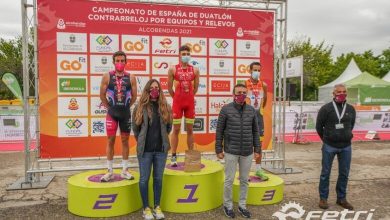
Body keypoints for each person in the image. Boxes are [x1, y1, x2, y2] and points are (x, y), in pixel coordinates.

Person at [215, 84, 261, 219]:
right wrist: (218, 148)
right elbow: (219, 131)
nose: (241, 94)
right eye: (239, 92)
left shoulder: (252, 110)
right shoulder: (225, 109)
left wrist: (257, 149)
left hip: (247, 151)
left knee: (245, 180)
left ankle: (242, 206)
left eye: (244, 92)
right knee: (229, 180)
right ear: (233, 94)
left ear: (247, 94)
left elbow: (255, 131)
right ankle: (227, 206)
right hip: (231, 151)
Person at [133, 79, 172, 220]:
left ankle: (157, 206)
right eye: (152, 88)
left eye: (157, 88)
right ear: (147, 90)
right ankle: (146, 208)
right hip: (145, 151)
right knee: (144, 179)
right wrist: (143, 142)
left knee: (158, 179)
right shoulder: (140, 107)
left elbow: (169, 128)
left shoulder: (166, 107)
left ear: (160, 90)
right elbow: (136, 129)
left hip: (161, 151)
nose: (154, 90)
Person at [316, 84, 356, 210]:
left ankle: (341, 198)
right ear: (333, 94)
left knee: (344, 173)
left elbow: (351, 125)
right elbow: (318, 127)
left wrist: (345, 135)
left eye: (344, 92)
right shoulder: (326, 109)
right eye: (339, 92)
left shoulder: (350, 109)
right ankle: (323, 199)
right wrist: (327, 139)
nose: (341, 94)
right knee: (325, 173)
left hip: (346, 146)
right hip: (329, 146)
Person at [99, 51, 137, 182]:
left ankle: (124, 170)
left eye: (122, 61)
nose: (120, 63)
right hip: (112, 114)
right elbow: (102, 95)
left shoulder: (131, 77)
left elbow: (134, 96)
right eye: (117, 61)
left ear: (126, 62)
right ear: (113, 62)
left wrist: (126, 106)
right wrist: (110, 108)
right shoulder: (107, 76)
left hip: (125, 114)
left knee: (125, 141)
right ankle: (109, 171)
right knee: (110, 141)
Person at [168, 45, 200, 167]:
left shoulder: (195, 70)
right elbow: (169, 88)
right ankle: (174, 155)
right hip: (177, 103)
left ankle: (191, 156)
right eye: (183, 53)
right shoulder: (173, 69)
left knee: (190, 130)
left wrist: (189, 97)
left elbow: (196, 88)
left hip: (189, 103)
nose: (186, 55)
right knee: (176, 130)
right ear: (179, 55)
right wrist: (176, 98)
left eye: (188, 53)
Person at [245, 61, 269, 181]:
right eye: (255, 70)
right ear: (249, 70)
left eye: (259, 70)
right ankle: (246, 171)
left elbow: (264, 101)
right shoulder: (245, 84)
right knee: (247, 144)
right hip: (247, 117)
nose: (257, 72)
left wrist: (259, 110)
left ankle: (259, 170)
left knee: (259, 144)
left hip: (259, 117)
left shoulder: (263, 85)